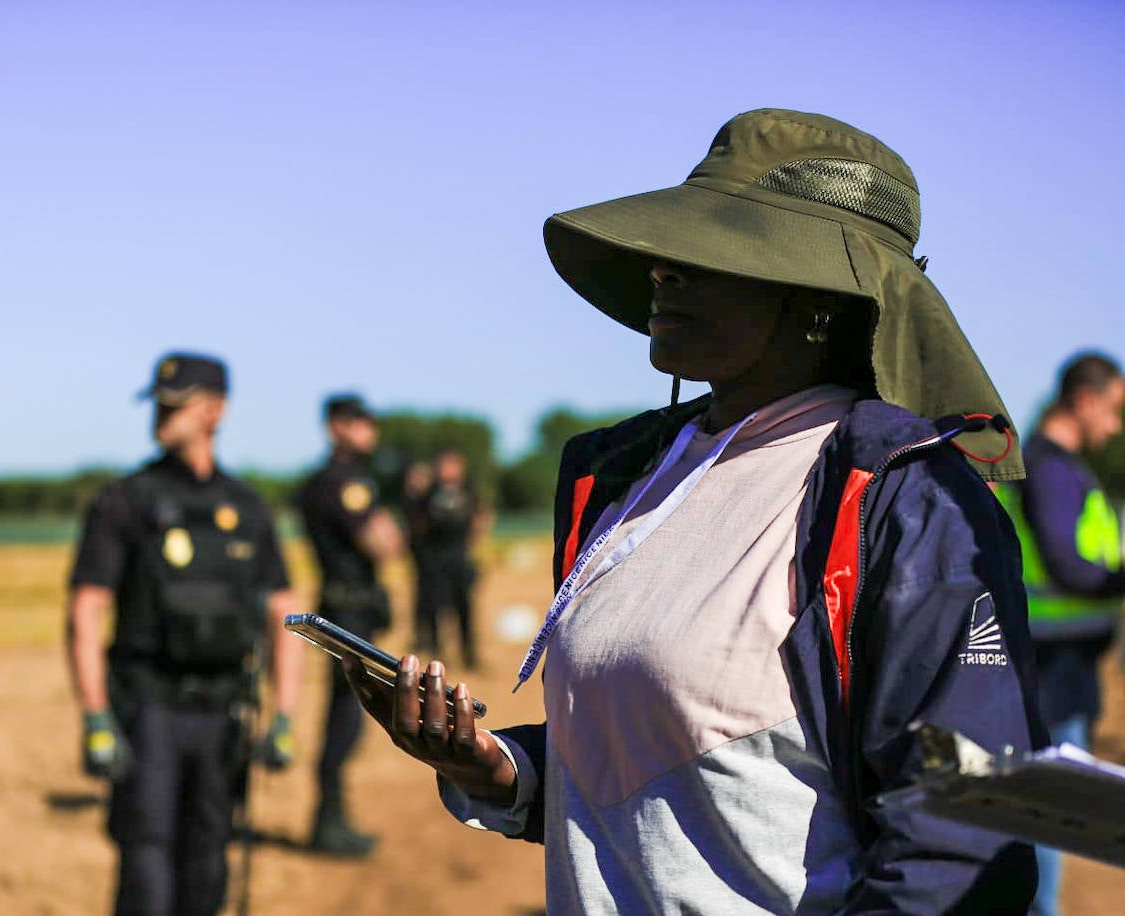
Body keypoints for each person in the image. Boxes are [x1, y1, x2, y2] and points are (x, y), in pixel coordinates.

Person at [341, 109, 1047, 912]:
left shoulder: (902, 498)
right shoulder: (627, 478)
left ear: (818, 299)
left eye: (710, 256)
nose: (663, 272)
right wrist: (498, 769)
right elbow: (674, 770)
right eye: (671, 253)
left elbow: (961, 845)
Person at [66, 353, 302, 916]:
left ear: (216, 410)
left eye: (177, 403)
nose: (162, 414)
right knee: (146, 863)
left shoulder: (246, 509)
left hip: (223, 714)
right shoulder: (125, 502)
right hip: (148, 709)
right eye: (159, 403)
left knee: (208, 862)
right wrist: (96, 717)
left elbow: (285, 613)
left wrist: (285, 714)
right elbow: (86, 610)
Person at [995, 352, 1125, 915]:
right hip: (1048, 668)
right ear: (1086, 400)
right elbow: (1068, 567)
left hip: (1063, 665)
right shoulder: (1048, 467)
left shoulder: (1061, 464)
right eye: (1115, 410)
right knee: (1049, 811)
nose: (1116, 425)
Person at [296, 393, 405, 855]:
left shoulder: (345, 480)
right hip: (345, 611)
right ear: (336, 426)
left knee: (349, 716)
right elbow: (385, 545)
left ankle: (332, 816)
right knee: (343, 717)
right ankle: (327, 822)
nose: (369, 430)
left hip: (353, 608)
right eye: (359, 422)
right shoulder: (339, 483)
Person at [408, 448, 488, 667]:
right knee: (434, 608)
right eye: (445, 465)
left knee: (464, 608)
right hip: (435, 559)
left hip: (459, 558)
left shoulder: (467, 492)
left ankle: (469, 655)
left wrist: (474, 537)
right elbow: (416, 521)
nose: (448, 470)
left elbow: (481, 515)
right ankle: (435, 652)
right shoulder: (428, 494)